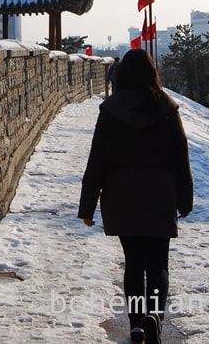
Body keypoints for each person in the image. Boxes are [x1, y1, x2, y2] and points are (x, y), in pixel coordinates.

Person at [78, 49, 193, 344]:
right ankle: (155, 316)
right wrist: (185, 197)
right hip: (160, 193)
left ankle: (136, 326)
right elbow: (181, 156)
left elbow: (98, 159)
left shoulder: (110, 110)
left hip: (122, 194)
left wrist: (87, 205)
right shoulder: (167, 108)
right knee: (158, 264)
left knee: (134, 263)